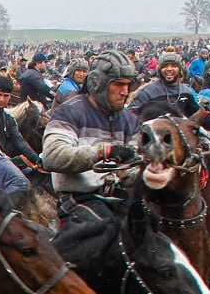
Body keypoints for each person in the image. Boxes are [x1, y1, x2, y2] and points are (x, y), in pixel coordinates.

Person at [42, 50, 141, 199]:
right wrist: (103, 152)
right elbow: (52, 156)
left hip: (120, 198)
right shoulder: (69, 113)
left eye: (128, 85)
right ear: (97, 83)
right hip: (79, 201)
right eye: (119, 84)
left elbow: (136, 165)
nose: (125, 92)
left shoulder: (130, 120)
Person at [129, 51, 210, 134]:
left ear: (180, 69)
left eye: (173, 65)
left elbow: (201, 117)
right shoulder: (146, 92)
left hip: (180, 143)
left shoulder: (186, 92)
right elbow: (130, 119)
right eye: (165, 66)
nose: (169, 69)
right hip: (152, 143)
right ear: (159, 70)